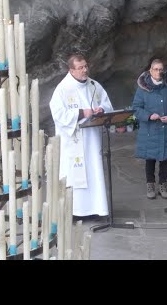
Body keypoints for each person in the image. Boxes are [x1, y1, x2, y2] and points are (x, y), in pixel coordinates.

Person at [49, 54, 114, 218]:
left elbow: (107, 105)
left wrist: (101, 110)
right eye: (80, 68)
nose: (85, 70)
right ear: (71, 70)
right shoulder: (63, 89)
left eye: (86, 66)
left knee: (94, 171)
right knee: (73, 175)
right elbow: (58, 113)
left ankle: (95, 209)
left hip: (92, 140)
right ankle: (75, 212)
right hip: (74, 141)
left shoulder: (94, 85)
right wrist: (83, 112)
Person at [132, 59, 167, 200]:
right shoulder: (142, 89)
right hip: (150, 131)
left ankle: (163, 185)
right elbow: (136, 108)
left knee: (165, 159)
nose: (158, 72)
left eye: (161, 69)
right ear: (150, 71)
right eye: (155, 69)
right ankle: (150, 185)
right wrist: (149, 116)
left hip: (166, 129)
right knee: (150, 159)